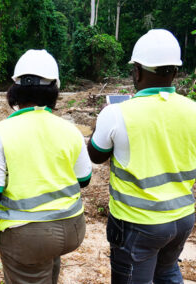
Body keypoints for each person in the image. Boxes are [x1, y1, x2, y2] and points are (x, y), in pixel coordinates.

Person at [0, 49, 92, 283]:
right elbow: (84, 179)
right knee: (47, 262)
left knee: (34, 264)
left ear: (14, 89)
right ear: (54, 89)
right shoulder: (69, 129)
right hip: (72, 228)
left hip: (27, 236)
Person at [87, 29, 196, 284]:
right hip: (182, 219)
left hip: (138, 223)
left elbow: (95, 155)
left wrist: (101, 124)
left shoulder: (117, 113)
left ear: (136, 71)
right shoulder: (193, 110)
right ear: (175, 72)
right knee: (167, 272)